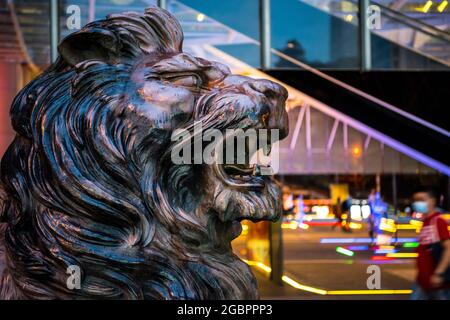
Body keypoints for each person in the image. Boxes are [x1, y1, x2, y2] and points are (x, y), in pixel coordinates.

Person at [411, 188, 450, 300]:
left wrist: (439, 274)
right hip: (422, 281)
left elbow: (448, 249)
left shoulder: (437, 221)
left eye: (422, 199)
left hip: (437, 283)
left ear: (432, 201)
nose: (417, 202)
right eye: (416, 199)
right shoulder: (425, 222)